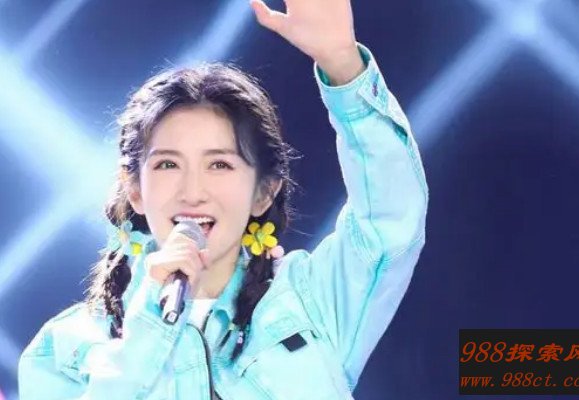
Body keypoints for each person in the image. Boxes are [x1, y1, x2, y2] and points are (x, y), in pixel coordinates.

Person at [18, 0, 428, 398]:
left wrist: (342, 64)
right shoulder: (65, 349)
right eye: (167, 165)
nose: (193, 191)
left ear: (264, 192)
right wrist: (149, 326)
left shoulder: (309, 301)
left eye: (219, 165)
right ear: (135, 190)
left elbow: (390, 218)